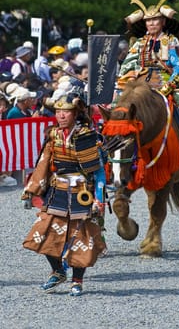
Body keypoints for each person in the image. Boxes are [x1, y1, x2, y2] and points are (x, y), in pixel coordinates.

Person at [21, 90, 107, 296]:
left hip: (81, 192)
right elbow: (42, 164)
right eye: (58, 111)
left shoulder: (87, 137)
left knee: (81, 239)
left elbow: (99, 173)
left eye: (66, 111)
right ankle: (58, 271)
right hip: (57, 191)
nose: (60, 115)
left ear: (75, 114)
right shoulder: (52, 136)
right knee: (41, 232)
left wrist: (99, 198)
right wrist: (31, 190)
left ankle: (77, 280)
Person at [117, 0, 179, 145]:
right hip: (141, 81)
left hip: (166, 78)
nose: (151, 23)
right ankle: (114, 134)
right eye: (148, 20)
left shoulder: (171, 41)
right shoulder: (139, 43)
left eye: (155, 19)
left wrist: (169, 86)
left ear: (163, 22)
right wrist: (126, 79)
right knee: (119, 104)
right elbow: (127, 65)